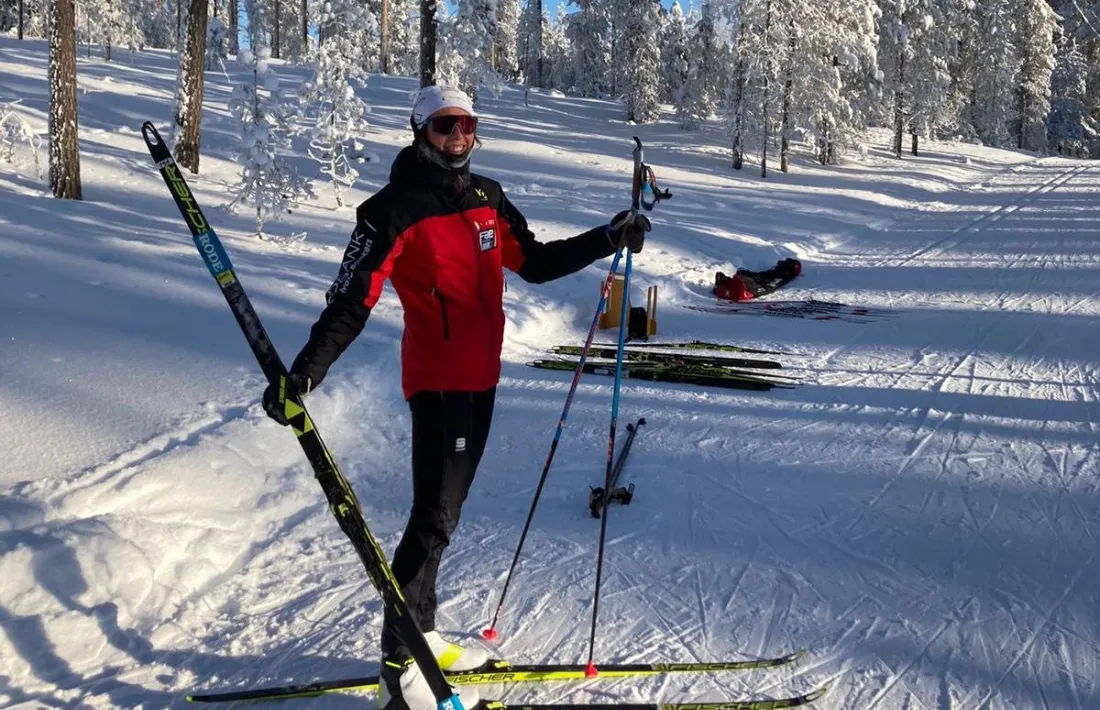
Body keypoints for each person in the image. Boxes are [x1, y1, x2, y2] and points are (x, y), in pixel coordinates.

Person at [262, 85, 650, 710]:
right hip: (438, 381)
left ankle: (426, 633)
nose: (458, 137)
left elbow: (538, 262)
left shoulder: (487, 197)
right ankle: (399, 662)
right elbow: (352, 298)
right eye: (445, 126)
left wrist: (609, 235)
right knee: (433, 517)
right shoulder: (390, 211)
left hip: (483, 376)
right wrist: (307, 371)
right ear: (420, 130)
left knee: (446, 512)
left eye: (467, 126)